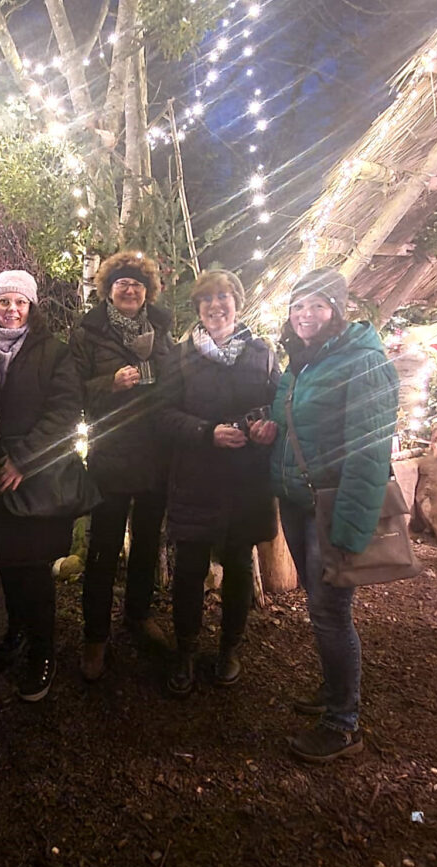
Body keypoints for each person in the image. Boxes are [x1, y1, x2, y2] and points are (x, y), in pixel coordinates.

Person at [269, 266, 399, 764]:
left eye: (317, 305)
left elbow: (369, 452)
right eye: (298, 304)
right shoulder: (300, 361)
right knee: (319, 607)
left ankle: (344, 723)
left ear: (338, 311)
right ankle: (333, 693)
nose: (305, 314)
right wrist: (266, 428)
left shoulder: (362, 362)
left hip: (332, 505)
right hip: (300, 502)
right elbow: (291, 423)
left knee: (330, 611)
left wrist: (349, 530)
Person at [157, 269, 279, 697]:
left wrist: (269, 426)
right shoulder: (180, 355)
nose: (215, 305)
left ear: (237, 303)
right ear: (198, 309)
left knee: (239, 566)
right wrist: (206, 432)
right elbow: (163, 415)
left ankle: (229, 648)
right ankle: (186, 649)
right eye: (206, 299)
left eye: (223, 297)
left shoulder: (262, 352)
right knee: (189, 570)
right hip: (196, 477)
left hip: (246, 480)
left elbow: (278, 403)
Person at [70, 250, 173, 681]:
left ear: (147, 291)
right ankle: (95, 637)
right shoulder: (88, 331)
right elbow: (70, 391)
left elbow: (177, 382)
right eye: (122, 283)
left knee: (148, 543)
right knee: (103, 549)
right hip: (111, 452)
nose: (130, 289)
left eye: (137, 283)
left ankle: (138, 615)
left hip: (156, 452)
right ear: (108, 289)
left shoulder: (163, 328)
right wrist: (107, 385)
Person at [0, 269, 83, 702]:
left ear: (31, 307)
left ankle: (44, 651)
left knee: (34, 565)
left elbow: (64, 411)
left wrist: (24, 459)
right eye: (4, 302)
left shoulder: (54, 351)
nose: (11, 310)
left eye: (19, 302)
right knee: (6, 562)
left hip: (37, 473)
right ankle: (17, 633)